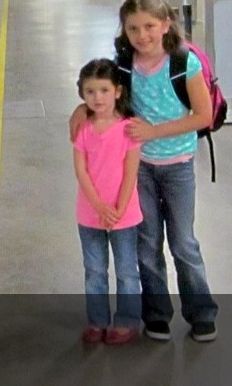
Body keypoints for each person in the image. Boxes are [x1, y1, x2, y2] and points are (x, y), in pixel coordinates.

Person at [69, 0, 219, 343]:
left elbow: (203, 116)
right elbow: (102, 92)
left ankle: (201, 312)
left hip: (178, 165)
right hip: (139, 168)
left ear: (166, 24)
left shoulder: (184, 63)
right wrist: (81, 109)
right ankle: (156, 314)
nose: (142, 35)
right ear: (124, 29)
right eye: (133, 28)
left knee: (183, 242)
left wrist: (154, 131)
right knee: (147, 243)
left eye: (150, 26)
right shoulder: (123, 65)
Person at [72, 58, 142, 345]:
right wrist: (100, 207)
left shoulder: (129, 129)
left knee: (126, 271)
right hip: (90, 215)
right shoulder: (83, 129)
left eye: (104, 90)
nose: (97, 98)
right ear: (82, 94)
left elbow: (131, 173)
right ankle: (97, 321)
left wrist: (118, 210)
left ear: (117, 91)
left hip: (124, 215)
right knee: (94, 271)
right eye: (90, 91)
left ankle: (127, 320)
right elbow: (81, 170)